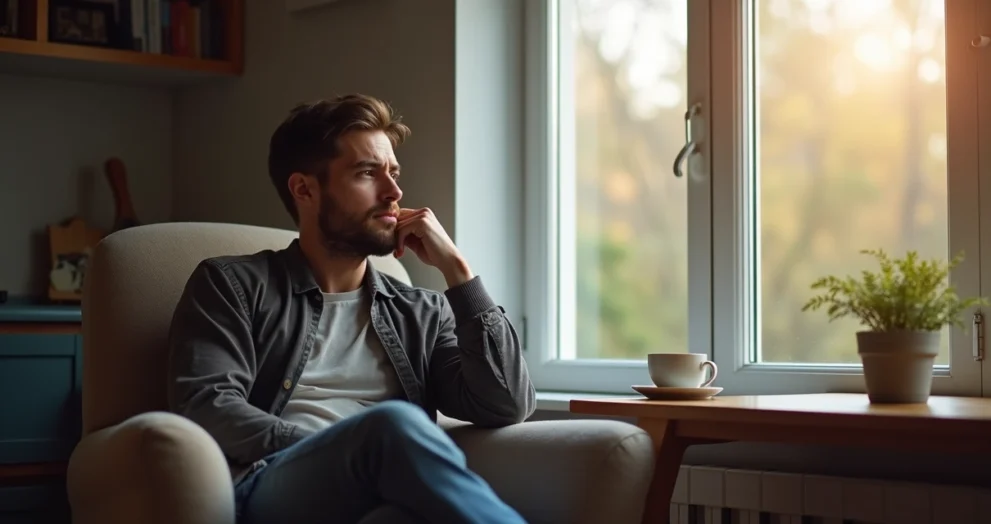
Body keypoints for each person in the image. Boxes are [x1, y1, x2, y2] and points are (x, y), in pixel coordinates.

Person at [166, 94, 536, 524]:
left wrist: (458, 272)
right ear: (304, 189)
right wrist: (340, 444)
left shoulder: (421, 311)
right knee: (390, 427)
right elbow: (207, 405)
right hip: (271, 485)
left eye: (394, 173)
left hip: (380, 490)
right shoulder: (233, 285)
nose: (394, 192)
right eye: (366, 173)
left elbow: (505, 405)